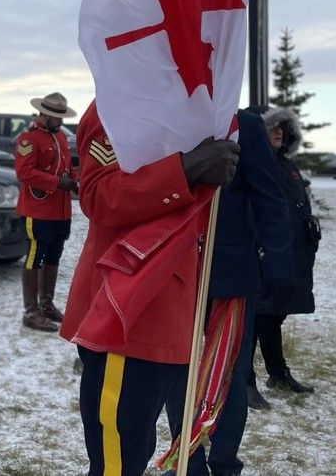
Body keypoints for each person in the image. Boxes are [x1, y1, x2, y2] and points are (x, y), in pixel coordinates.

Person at [60, 100, 240, 476]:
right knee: (117, 462)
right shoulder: (121, 95)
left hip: (174, 312)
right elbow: (98, 195)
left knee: (136, 450)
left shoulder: (196, 103)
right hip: (126, 314)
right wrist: (187, 169)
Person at [163, 108, 293, 476]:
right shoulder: (168, 113)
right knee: (180, 369)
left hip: (230, 273)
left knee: (230, 374)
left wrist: (279, 267)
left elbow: (270, 195)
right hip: (177, 268)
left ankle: (223, 463)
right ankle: (188, 459)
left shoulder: (243, 124)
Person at [249, 107, 320, 397]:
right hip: (263, 256)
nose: (278, 131)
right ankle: (244, 381)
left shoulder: (288, 166)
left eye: (282, 126)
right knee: (254, 319)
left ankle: (278, 374)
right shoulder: (252, 164)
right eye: (271, 127)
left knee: (274, 315)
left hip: (292, 256)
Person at [13, 92, 79, 332]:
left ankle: (47, 305)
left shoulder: (60, 137)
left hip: (60, 211)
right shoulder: (28, 139)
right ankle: (31, 312)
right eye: (56, 117)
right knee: (35, 258)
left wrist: (76, 181)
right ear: (44, 115)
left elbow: (68, 167)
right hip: (37, 210)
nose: (60, 122)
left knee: (53, 257)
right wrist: (57, 183)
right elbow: (25, 173)